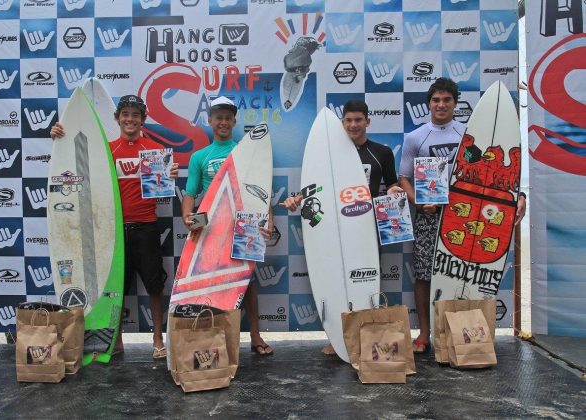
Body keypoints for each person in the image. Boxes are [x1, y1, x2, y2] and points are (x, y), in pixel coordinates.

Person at [398, 77, 526, 354]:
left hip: (465, 216)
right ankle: (424, 333)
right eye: (436, 100)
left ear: (455, 103)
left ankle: (459, 332)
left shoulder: (469, 136)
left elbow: (487, 176)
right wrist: (420, 202)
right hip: (428, 217)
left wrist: (520, 195)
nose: (441, 105)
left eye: (447, 100)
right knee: (423, 275)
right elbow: (404, 178)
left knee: (460, 275)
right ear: (429, 104)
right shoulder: (415, 137)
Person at [50, 94, 179, 360]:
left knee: (155, 286)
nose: (130, 119)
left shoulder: (154, 150)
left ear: (143, 120)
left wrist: (170, 175)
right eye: (125, 115)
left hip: (147, 228)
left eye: (135, 115)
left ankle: (158, 339)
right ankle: (114, 342)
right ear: (117, 118)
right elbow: (75, 163)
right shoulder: (107, 150)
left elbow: (161, 191)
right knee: (116, 288)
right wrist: (59, 136)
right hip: (114, 232)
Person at [281, 99, 400, 355]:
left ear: (368, 121)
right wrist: (296, 199)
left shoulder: (382, 153)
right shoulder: (327, 156)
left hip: (366, 230)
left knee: (365, 281)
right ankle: (340, 339)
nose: (353, 125)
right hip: (333, 230)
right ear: (342, 122)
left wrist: (394, 190)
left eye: (358, 120)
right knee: (335, 281)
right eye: (348, 120)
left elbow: (390, 184)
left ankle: (366, 338)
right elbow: (316, 189)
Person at [182, 96, 275, 356]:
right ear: (210, 121)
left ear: (234, 121)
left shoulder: (245, 152)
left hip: (243, 227)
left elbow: (261, 192)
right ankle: (212, 338)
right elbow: (190, 193)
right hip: (211, 229)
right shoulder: (200, 156)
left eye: (227, 118)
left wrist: (268, 220)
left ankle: (255, 335)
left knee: (247, 284)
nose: (223, 122)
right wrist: (187, 216)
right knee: (209, 284)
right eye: (218, 117)